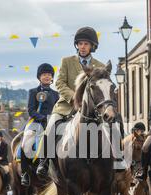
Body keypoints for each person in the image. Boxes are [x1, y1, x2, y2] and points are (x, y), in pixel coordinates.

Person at [36, 26, 106, 178]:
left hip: (91, 109)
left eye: (86, 44)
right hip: (66, 107)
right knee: (51, 127)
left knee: (110, 128)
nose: (82, 47)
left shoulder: (100, 66)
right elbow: (60, 83)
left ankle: (117, 160)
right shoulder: (66, 61)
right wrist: (75, 97)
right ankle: (44, 162)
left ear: (92, 46)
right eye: (80, 43)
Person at [20, 64, 59, 187]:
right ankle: (25, 173)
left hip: (52, 121)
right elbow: (31, 110)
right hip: (37, 122)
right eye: (44, 75)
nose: (47, 77)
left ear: (52, 77)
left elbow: (58, 109)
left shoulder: (55, 94)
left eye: (49, 75)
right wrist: (43, 118)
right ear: (39, 77)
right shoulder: (33, 92)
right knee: (27, 141)